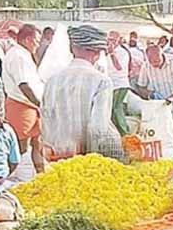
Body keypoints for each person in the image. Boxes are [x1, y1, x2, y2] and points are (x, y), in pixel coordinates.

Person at [42, 25, 124, 162]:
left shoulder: (52, 80)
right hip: (85, 162)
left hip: (56, 159)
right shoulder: (101, 81)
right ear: (98, 52)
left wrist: (54, 151)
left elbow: (46, 120)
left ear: (71, 49)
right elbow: (98, 129)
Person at [2, 24, 45, 173]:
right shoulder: (17, 55)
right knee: (19, 146)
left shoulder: (25, 54)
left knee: (38, 142)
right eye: (36, 41)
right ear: (27, 39)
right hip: (21, 105)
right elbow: (23, 85)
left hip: (33, 106)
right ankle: (2, 174)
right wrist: (39, 103)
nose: (38, 45)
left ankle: (41, 175)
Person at [137, 44, 173, 157]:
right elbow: (141, 86)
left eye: (157, 62)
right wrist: (150, 94)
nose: (155, 65)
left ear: (162, 54)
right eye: (153, 63)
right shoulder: (146, 66)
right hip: (161, 110)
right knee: (166, 141)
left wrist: (171, 98)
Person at [107, 31, 130, 136]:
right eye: (109, 39)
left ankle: (125, 134)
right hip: (110, 84)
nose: (110, 42)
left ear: (118, 40)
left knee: (116, 108)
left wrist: (112, 54)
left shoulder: (122, 52)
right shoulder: (105, 53)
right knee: (110, 110)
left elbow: (119, 67)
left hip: (120, 84)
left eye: (113, 40)